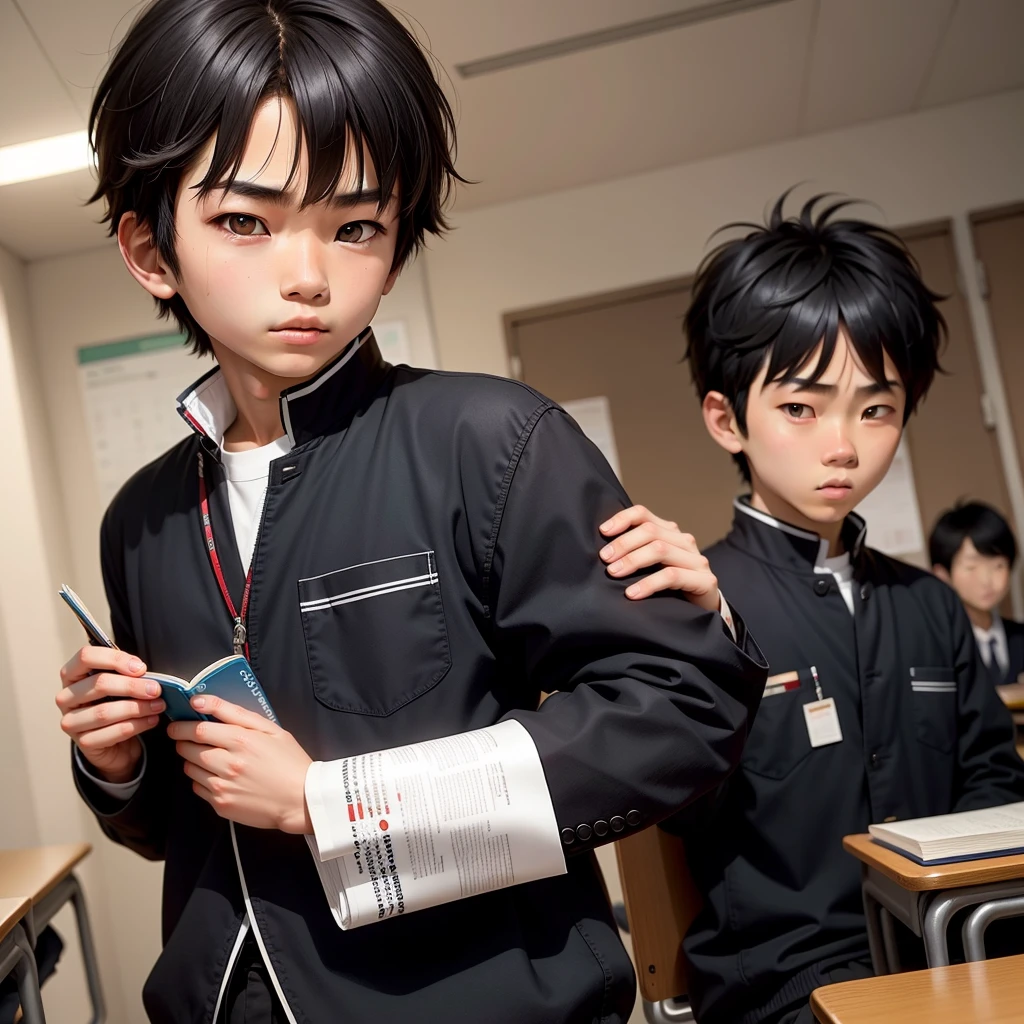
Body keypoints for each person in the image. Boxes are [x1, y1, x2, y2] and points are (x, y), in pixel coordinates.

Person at [53, 3, 767, 1022]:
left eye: (355, 226)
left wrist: (329, 804)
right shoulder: (145, 518)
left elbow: (681, 714)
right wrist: (115, 765)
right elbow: (186, 824)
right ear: (150, 248)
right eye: (245, 222)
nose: (307, 276)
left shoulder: (492, 439)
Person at [598, 194, 1024, 1024]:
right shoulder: (696, 602)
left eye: (878, 408)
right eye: (801, 406)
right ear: (727, 418)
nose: (844, 444)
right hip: (786, 989)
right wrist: (716, 645)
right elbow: (683, 810)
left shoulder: (930, 607)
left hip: (955, 956)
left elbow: (993, 787)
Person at [930, 502, 1024, 685]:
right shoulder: (938, 648)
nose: (986, 580)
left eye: (998, 565)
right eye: (971, 567)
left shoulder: (1021, 636)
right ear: (942, 574)